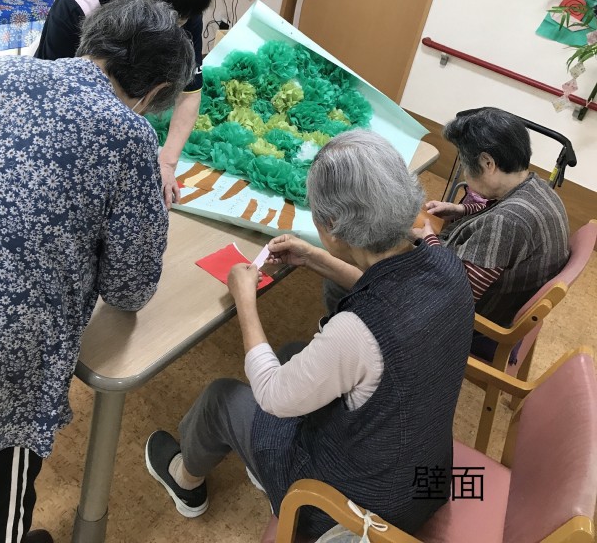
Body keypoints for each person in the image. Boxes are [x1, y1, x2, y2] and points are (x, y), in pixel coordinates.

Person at [144, 130, 474, 539]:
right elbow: (391, 291)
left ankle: (185, 480)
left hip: (349, 512)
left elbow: (274, 395)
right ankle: (259, 464)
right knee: (290, 352)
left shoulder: (358, 332)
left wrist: (245, 302)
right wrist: (316, 258)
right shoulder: (446, 264)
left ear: (332, 226)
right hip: (426, 481)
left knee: (221, 398)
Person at [0, 0, 195, 543]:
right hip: (10, 354)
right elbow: (129, 287)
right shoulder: (128, 134)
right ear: (155, 91)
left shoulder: (7, 73)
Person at [35, 0, 219, 208]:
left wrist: (166, 164)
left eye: (175, 23)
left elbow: (189, 91)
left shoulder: (185, 8)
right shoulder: (80, 1)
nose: (168, 30)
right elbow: (50, 100)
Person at [414, 107, 570, 357]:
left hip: (478, 325)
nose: (465, 173)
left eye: (465, 164)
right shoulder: (537, 188)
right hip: (502, 302)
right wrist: (462, 209)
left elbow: (454, 295)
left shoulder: (508, 222)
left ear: (488, 163)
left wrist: (429, 241)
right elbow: (498, 209)